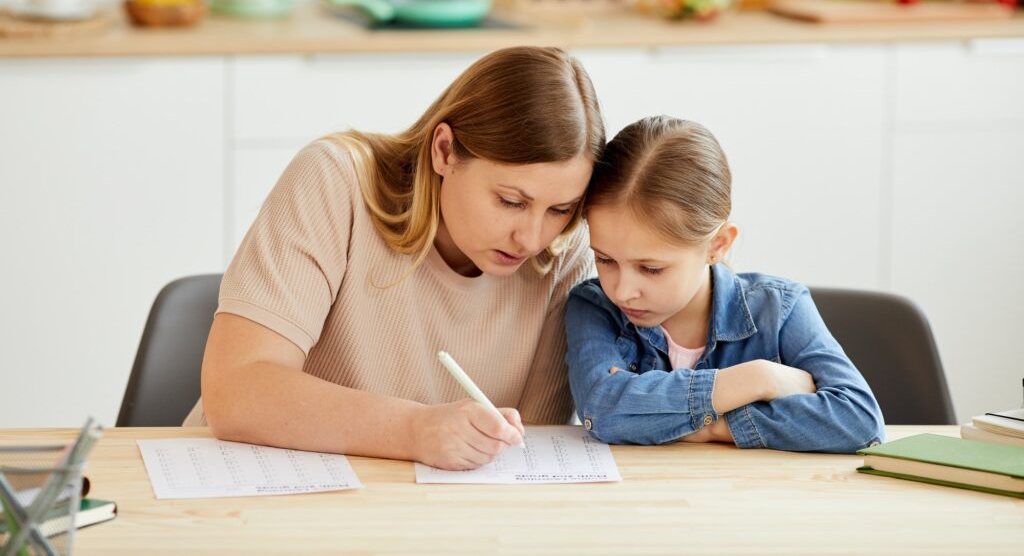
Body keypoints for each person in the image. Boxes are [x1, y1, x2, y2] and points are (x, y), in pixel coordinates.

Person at [188, 46, 606, 470]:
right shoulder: (336, 181)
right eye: (510, 201)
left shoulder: (563, 253)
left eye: (560, 210)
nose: (531, 238)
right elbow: (236, 391)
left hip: (412, 515)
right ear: (444, 151)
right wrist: (414, 429)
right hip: (244, 485)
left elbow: (527, 451)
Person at [565, 116, 884, 452]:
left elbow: (859, 421)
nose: (622, 290)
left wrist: (709, 427)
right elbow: (602, 411)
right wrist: (760, 379)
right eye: (605, 260)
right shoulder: (594, 306)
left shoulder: (781, 309)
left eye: (651, 268)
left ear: (717, 245)